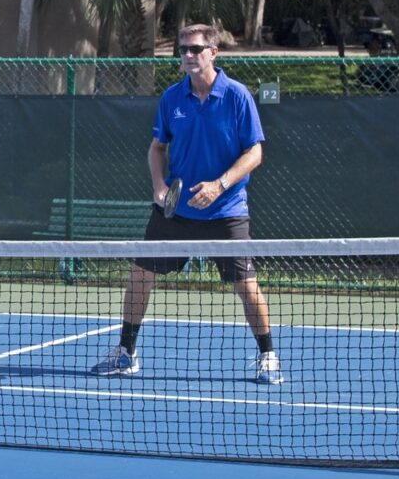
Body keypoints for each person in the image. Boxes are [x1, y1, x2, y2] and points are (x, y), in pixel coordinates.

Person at [89, 25, 284, 386]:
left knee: (245, 283)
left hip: (226, 209)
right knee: (140, 275)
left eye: (195, 49)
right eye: (182, 50)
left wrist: (220, 184)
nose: (188, 56)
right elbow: (157, 147)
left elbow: (255, 151)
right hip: (175, 212)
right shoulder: (171, 98)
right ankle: (126, 353)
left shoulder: (238, 97)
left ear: (213, 53)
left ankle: (268, 356)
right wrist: (159, 186)